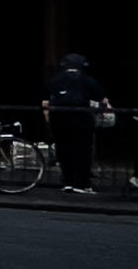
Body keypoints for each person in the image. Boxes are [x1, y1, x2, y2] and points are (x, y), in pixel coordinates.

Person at [41, 52, 110, 194]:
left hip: (59, 120)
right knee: (82, 152)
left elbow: (45, 102)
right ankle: (82, 183)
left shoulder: (55, 80)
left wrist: (48, 119)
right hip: (81, 120)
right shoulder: (87, 80)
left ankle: (67, 181)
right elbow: (103, 99)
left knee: (64, 151)